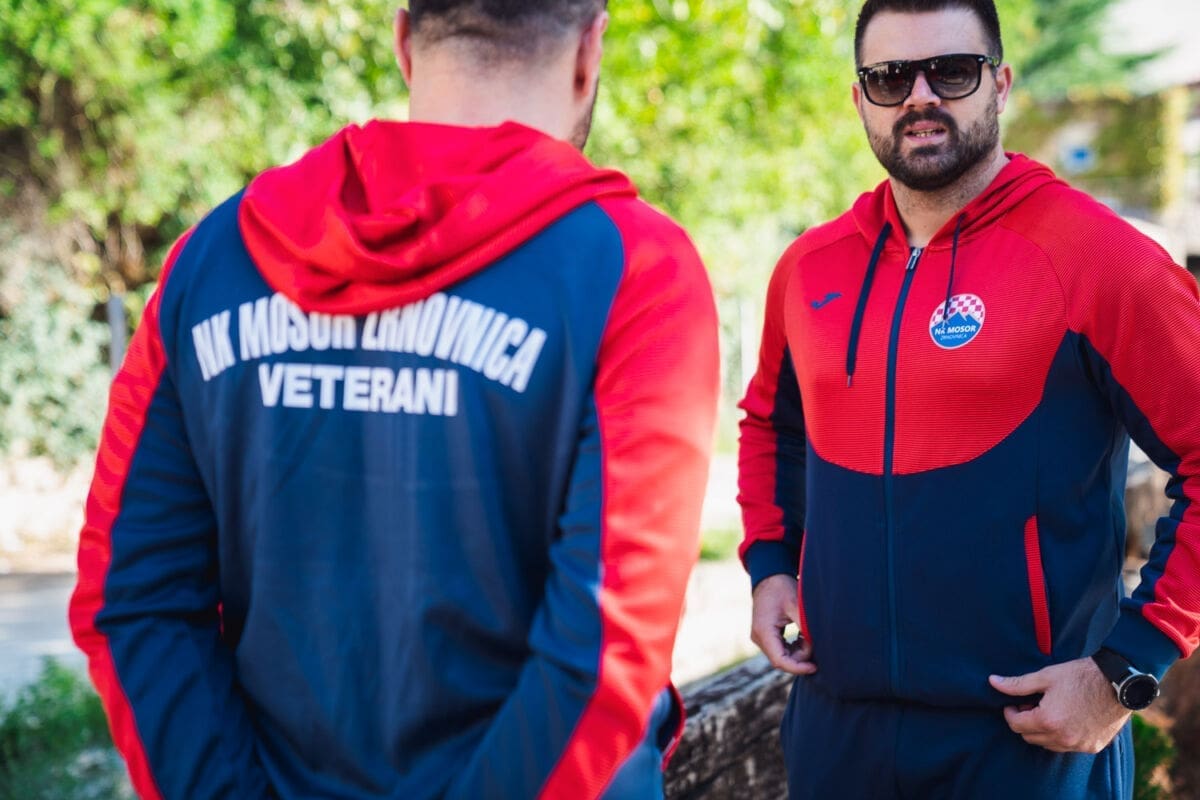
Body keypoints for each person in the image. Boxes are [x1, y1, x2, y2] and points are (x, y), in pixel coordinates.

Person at [69, 2, 720, 798]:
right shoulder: (634, 271)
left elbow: (133, 595)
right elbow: (608, 646)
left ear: (405, 41)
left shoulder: (212, 260)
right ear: (590, 50)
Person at [738, 0, 1200, 797]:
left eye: (951, 71)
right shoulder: (809, 268)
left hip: (1030, 739)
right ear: (860, 99)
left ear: (1001, 84)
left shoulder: (1098, 258)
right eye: (890, 78)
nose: (919, 96)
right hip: (836, 735)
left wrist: (1129, 666)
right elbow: (770, 426)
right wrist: (770, 563)